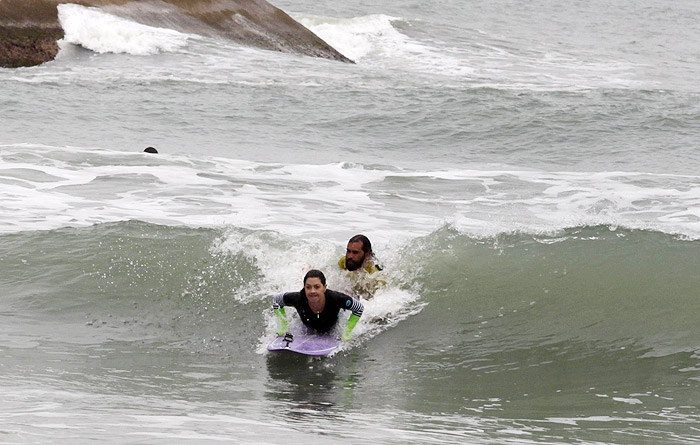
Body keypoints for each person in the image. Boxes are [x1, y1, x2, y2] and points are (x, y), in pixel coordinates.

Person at [272, 269, 363, 341]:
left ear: (324, 287)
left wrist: (345, 334)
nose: (312, 291)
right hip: (308, 325)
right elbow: (276, 300)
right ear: (304, 288)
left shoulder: (335, 299)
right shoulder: (298, 298)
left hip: (331, 326)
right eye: (308, 287)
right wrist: (282, 329)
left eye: (317, 287)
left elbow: (359, 308)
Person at [338, 234, 385, 299]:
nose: (349, 256)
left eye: (355, 252)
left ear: (367, 255)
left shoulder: (375, 274)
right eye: (348, 251)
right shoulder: (343, 262)